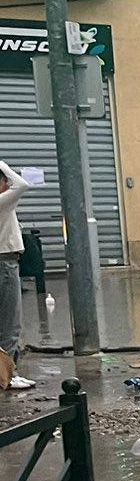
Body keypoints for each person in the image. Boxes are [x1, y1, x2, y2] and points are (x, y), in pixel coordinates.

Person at [0, 158, 31, 391]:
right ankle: (8, 376)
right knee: (10, 324)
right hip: (5, 263)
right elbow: (21, 184)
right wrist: (2, 164)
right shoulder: (2, 202)